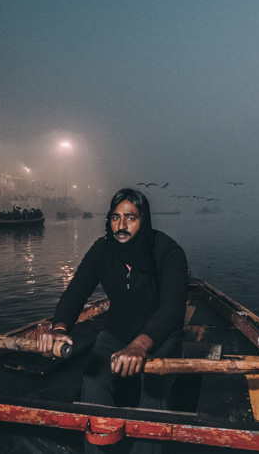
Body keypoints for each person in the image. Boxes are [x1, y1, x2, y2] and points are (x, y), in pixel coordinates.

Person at [38, 188, 189, 453]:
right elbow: (76, 292)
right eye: (115, 217)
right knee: (93, 377)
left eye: (130, 218)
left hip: (160, 336)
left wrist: (141, 346)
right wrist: (59, 328)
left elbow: (172, 310)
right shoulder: (102, 250)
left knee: (153, 390)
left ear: (144, 220)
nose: (121, 225)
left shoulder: (168, 252)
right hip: (116, 331)